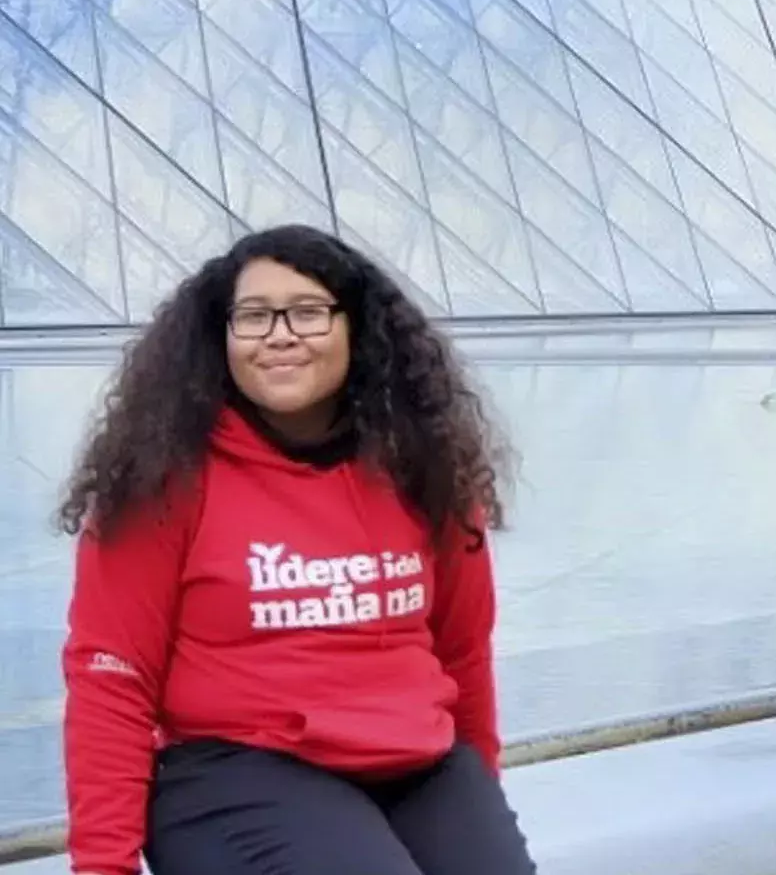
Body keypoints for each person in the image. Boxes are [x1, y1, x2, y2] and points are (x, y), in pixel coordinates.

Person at [59, 225, 532, 875]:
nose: (280, 334)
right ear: (221, 336)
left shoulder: (423, 466)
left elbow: (463, 651)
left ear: (356, 328)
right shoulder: (161, 479)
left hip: (414, 762)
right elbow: (111, 680)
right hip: (233, 771)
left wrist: (478, 803)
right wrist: (103, 868)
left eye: (308, 311)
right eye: (253, 316)